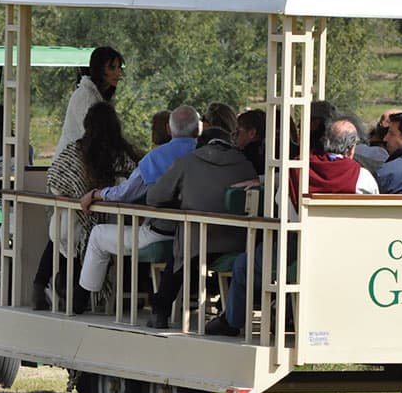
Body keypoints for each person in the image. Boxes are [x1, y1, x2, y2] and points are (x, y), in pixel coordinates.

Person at [205, 116, 379, 336]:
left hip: (295, 243)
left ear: (325, 141)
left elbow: (282, 207)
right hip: (343, 251)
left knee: (244, 265)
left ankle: (232, 321)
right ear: (352, 148)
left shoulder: (297, 169)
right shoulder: (362, 177)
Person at [77, 105, 200, 294]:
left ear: (169, 129)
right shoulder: (206, 154)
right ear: (198, 129)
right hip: (198, 235)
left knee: (98, 234)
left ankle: (82, 298)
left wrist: (96, 194)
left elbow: (125, 193)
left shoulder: (156, 157)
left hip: (160, 234)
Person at [31, 102, 139, 311]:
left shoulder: (73, 150)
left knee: (62, 242)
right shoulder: (119, 155)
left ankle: (40, 287)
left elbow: (55, 180)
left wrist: (70, 198)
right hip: (95, 222)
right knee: (87, 246)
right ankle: (75, 297)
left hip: (63, 221)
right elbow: (133, 181)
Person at [146, 128, 257, 328]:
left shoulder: (187, 162)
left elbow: (154, 197)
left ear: (201, 144)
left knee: (179, 254)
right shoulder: (245, 164)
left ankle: (161, 311)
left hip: (197, 244)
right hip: (238, 242)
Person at [53, 46, 124, 161]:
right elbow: (92, 137)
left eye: (119, 68)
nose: (118, 72)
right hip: (70, 164)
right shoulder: (85, 95)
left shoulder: (98, 96)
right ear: (99, 69)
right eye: (112, 68)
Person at [234, 109, 266, 175]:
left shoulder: (243, 158)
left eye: (238, 131)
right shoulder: (267, 154)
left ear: (252, 133)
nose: (234, 135)